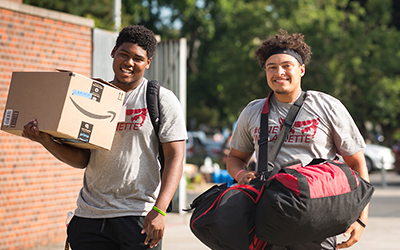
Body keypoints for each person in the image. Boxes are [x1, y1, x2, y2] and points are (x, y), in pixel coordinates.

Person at [22, 25, 187, 250]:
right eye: (124, 54)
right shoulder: (93, 97)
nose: (129, 62)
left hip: (137, 217)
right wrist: (46, 141)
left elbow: (176, 158)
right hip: (90, 217)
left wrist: (160, 210)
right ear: (113, 52)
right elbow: (84, 160)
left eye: (138, 58)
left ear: (148, 62)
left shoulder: (161, 100)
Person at [226, 30, 370, 250]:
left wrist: (361, 219)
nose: (279, 72)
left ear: (301, 70)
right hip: (268, 219)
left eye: (286, 66)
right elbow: (235, 158)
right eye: (271, 67)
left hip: (320, 218)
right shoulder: (252, 111)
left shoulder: (327, 106)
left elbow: (357, 163)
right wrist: (241, 174)